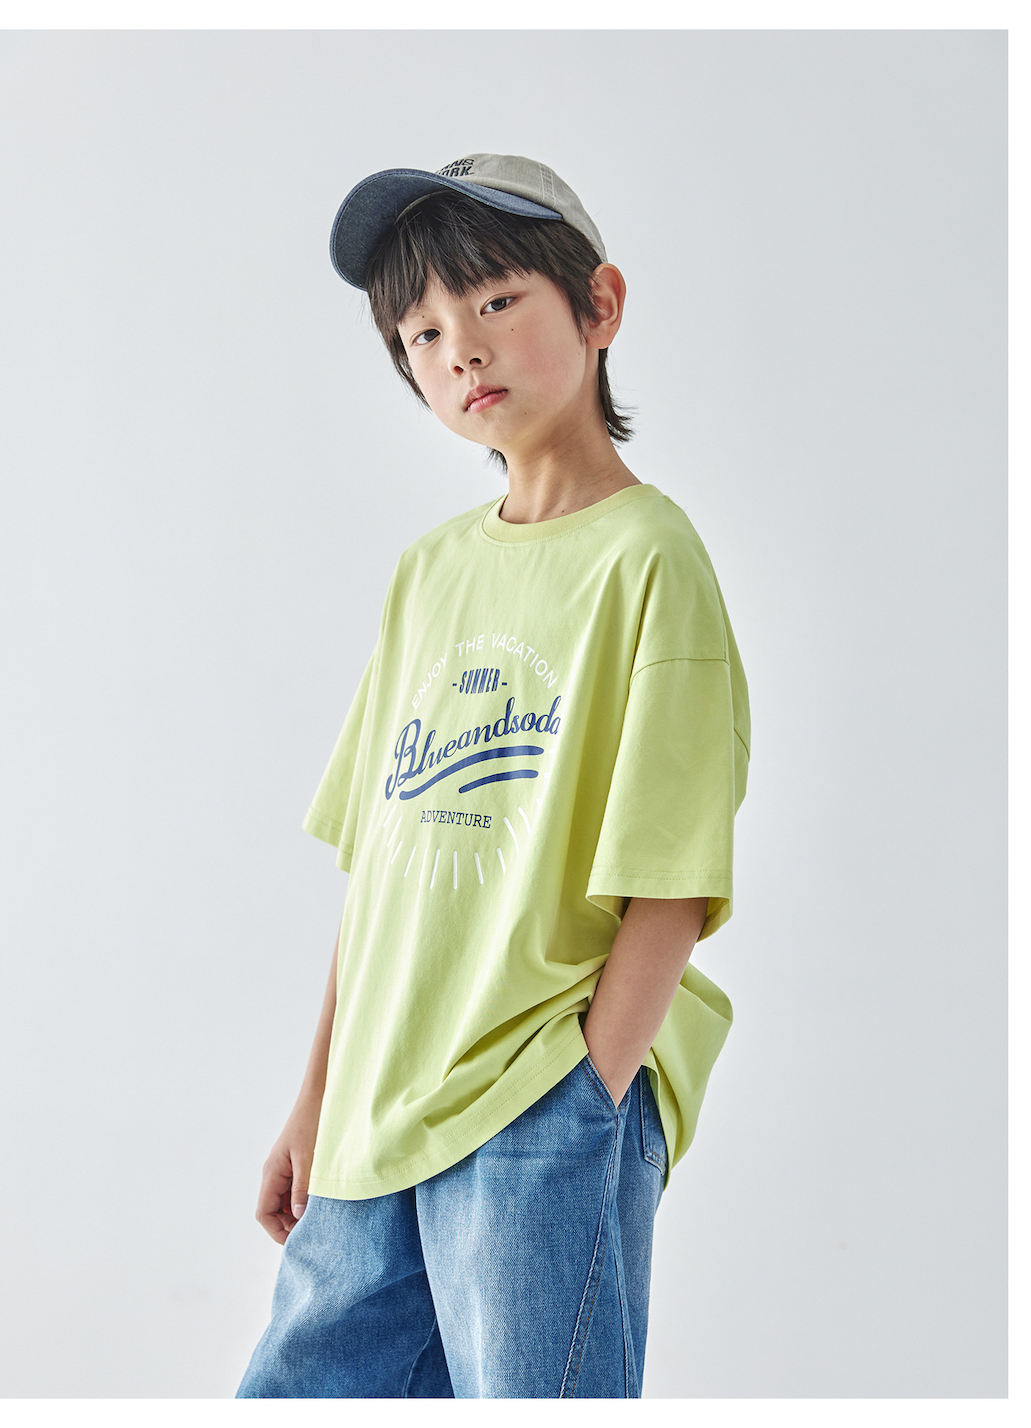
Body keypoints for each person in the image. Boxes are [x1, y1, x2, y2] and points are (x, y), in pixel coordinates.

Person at [236, 153, 750, 1400]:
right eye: (419, 332)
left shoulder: (647, 558)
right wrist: (315, 1099)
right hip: (375, 1113)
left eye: (495, 300)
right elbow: (380, 870)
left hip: (534, 1102)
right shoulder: (429, 573)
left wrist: (586, 1094)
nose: (459, 346)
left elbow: (671, 875)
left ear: (599, 305)